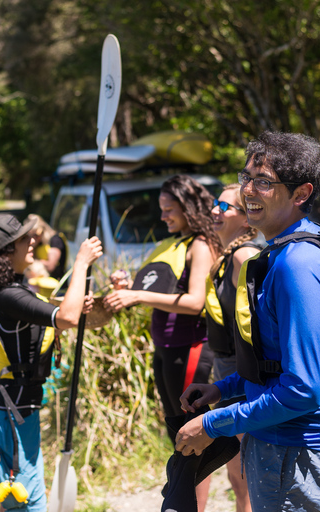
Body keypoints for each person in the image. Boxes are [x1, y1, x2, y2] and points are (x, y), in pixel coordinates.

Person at [175, 132, 320, 512]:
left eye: (264, 182)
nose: (248, 191)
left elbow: (303, 389)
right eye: (246, 178)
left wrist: (211, 425)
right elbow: (277, 365)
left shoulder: (298, 264)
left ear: (301, 193)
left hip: (293, 450)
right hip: (281, 443)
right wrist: (223, 389)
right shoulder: (286, 250)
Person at [102, 174, 221, 511]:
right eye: (162, 209)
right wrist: (125, 283)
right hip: (165, 350)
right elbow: (159, 287)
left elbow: (196, 301)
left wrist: (136, 294)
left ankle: (189, 504)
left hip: (192, 348)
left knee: (192, 431)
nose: (163, 216)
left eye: (169, 209)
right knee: (178, 430)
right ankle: (187, 503)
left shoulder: (200, 244)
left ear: (187, 208)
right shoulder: (170, 243)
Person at [0, 213, 102, 512]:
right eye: (22, 240)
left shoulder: (3, 291)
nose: (32, 241)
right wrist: (81, 263)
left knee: (16, 502)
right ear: (7, 253)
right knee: (28, 505)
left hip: (7, 411)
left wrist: (73, 301)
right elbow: (66, 319)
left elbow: (40, 321)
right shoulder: (8, 296)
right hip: (10, 416)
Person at [205, 184, 260, 512]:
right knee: (235, 464)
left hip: (241, 372)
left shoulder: (245, 256)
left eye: (225, 207)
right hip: (226, 369)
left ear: (247, 220)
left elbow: (259, 325)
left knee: (247, 463)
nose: (215, 210)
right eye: (215, 203)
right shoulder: (227, 254)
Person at [25, 214, 68, 281]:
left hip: (56, 285)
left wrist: (37, 262)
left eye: (36, 235)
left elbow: (50, 266)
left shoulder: (55, 240)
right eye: (30, 235)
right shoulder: (38, 243)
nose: (33, 238)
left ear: (42, 231)